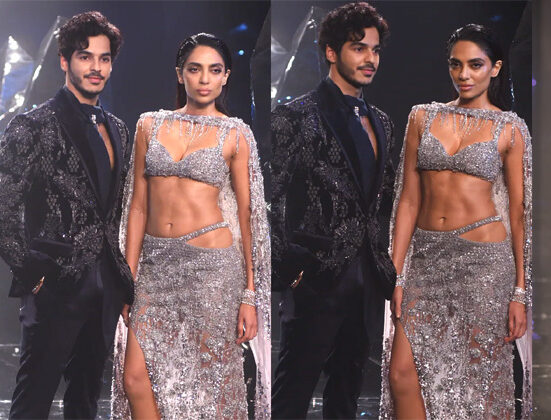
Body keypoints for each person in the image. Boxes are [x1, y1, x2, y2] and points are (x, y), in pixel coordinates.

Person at [109, 33, 271, 419]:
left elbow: (248, 216)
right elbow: (136, 207)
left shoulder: (235, 133)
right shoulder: (149, 125)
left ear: (226, 77)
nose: (204, 79)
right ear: (180, 74)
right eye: (195, 69)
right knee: (135, 378)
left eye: (214, 70)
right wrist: (126, 279)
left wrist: (250, 294)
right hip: (154, 268)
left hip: (213, 268)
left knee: (211, 381)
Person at [379, 24, 533, 419]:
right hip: (426, 261)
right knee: (402, 375)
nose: (464, 74)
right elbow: (408, 201)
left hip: (485, 263)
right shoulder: (422, 117)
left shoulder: (510, 128)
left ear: (495, 68)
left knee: (475, 382)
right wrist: (395, 273)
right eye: (456, 64)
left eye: (475, 65)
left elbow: (519, 212)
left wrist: (520, 291)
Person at [0, 11, 132, 419]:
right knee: (34, 400)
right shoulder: (33, 126)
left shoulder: (119, 129)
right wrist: (32, 272)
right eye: (85, 56)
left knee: (86, 401)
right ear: (64, 60)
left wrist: (120, 278)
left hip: (106, 286)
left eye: (104, 58)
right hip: (54, 284)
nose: (96, 67)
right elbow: (3, 204)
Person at [268, 2, 397, 418]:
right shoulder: (296, 116)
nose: (370, 59)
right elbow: (270, 198)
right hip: (316, 278)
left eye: (375, 50)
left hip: (366, 281)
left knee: (347, 397)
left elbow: (382, 199)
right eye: (359, 48)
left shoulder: (382, 122)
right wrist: (290, 267)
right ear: (330, 51)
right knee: (292, 395)